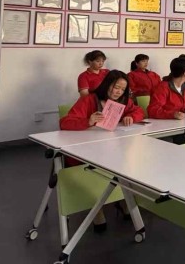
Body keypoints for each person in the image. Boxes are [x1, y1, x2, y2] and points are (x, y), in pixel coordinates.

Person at [60, 70, 143, 233]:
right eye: (115, 87)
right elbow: (65, 122)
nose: (118, 92)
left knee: (129, 160)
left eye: (122, 89)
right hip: (86, 150)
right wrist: (88, 121)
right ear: (107, 85)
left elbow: (138, 111)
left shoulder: (123, 101)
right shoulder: (89, 99)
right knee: (97, 169)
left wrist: (132, 117)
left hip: (112, 147)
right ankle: (96, 207)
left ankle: (122, 197)